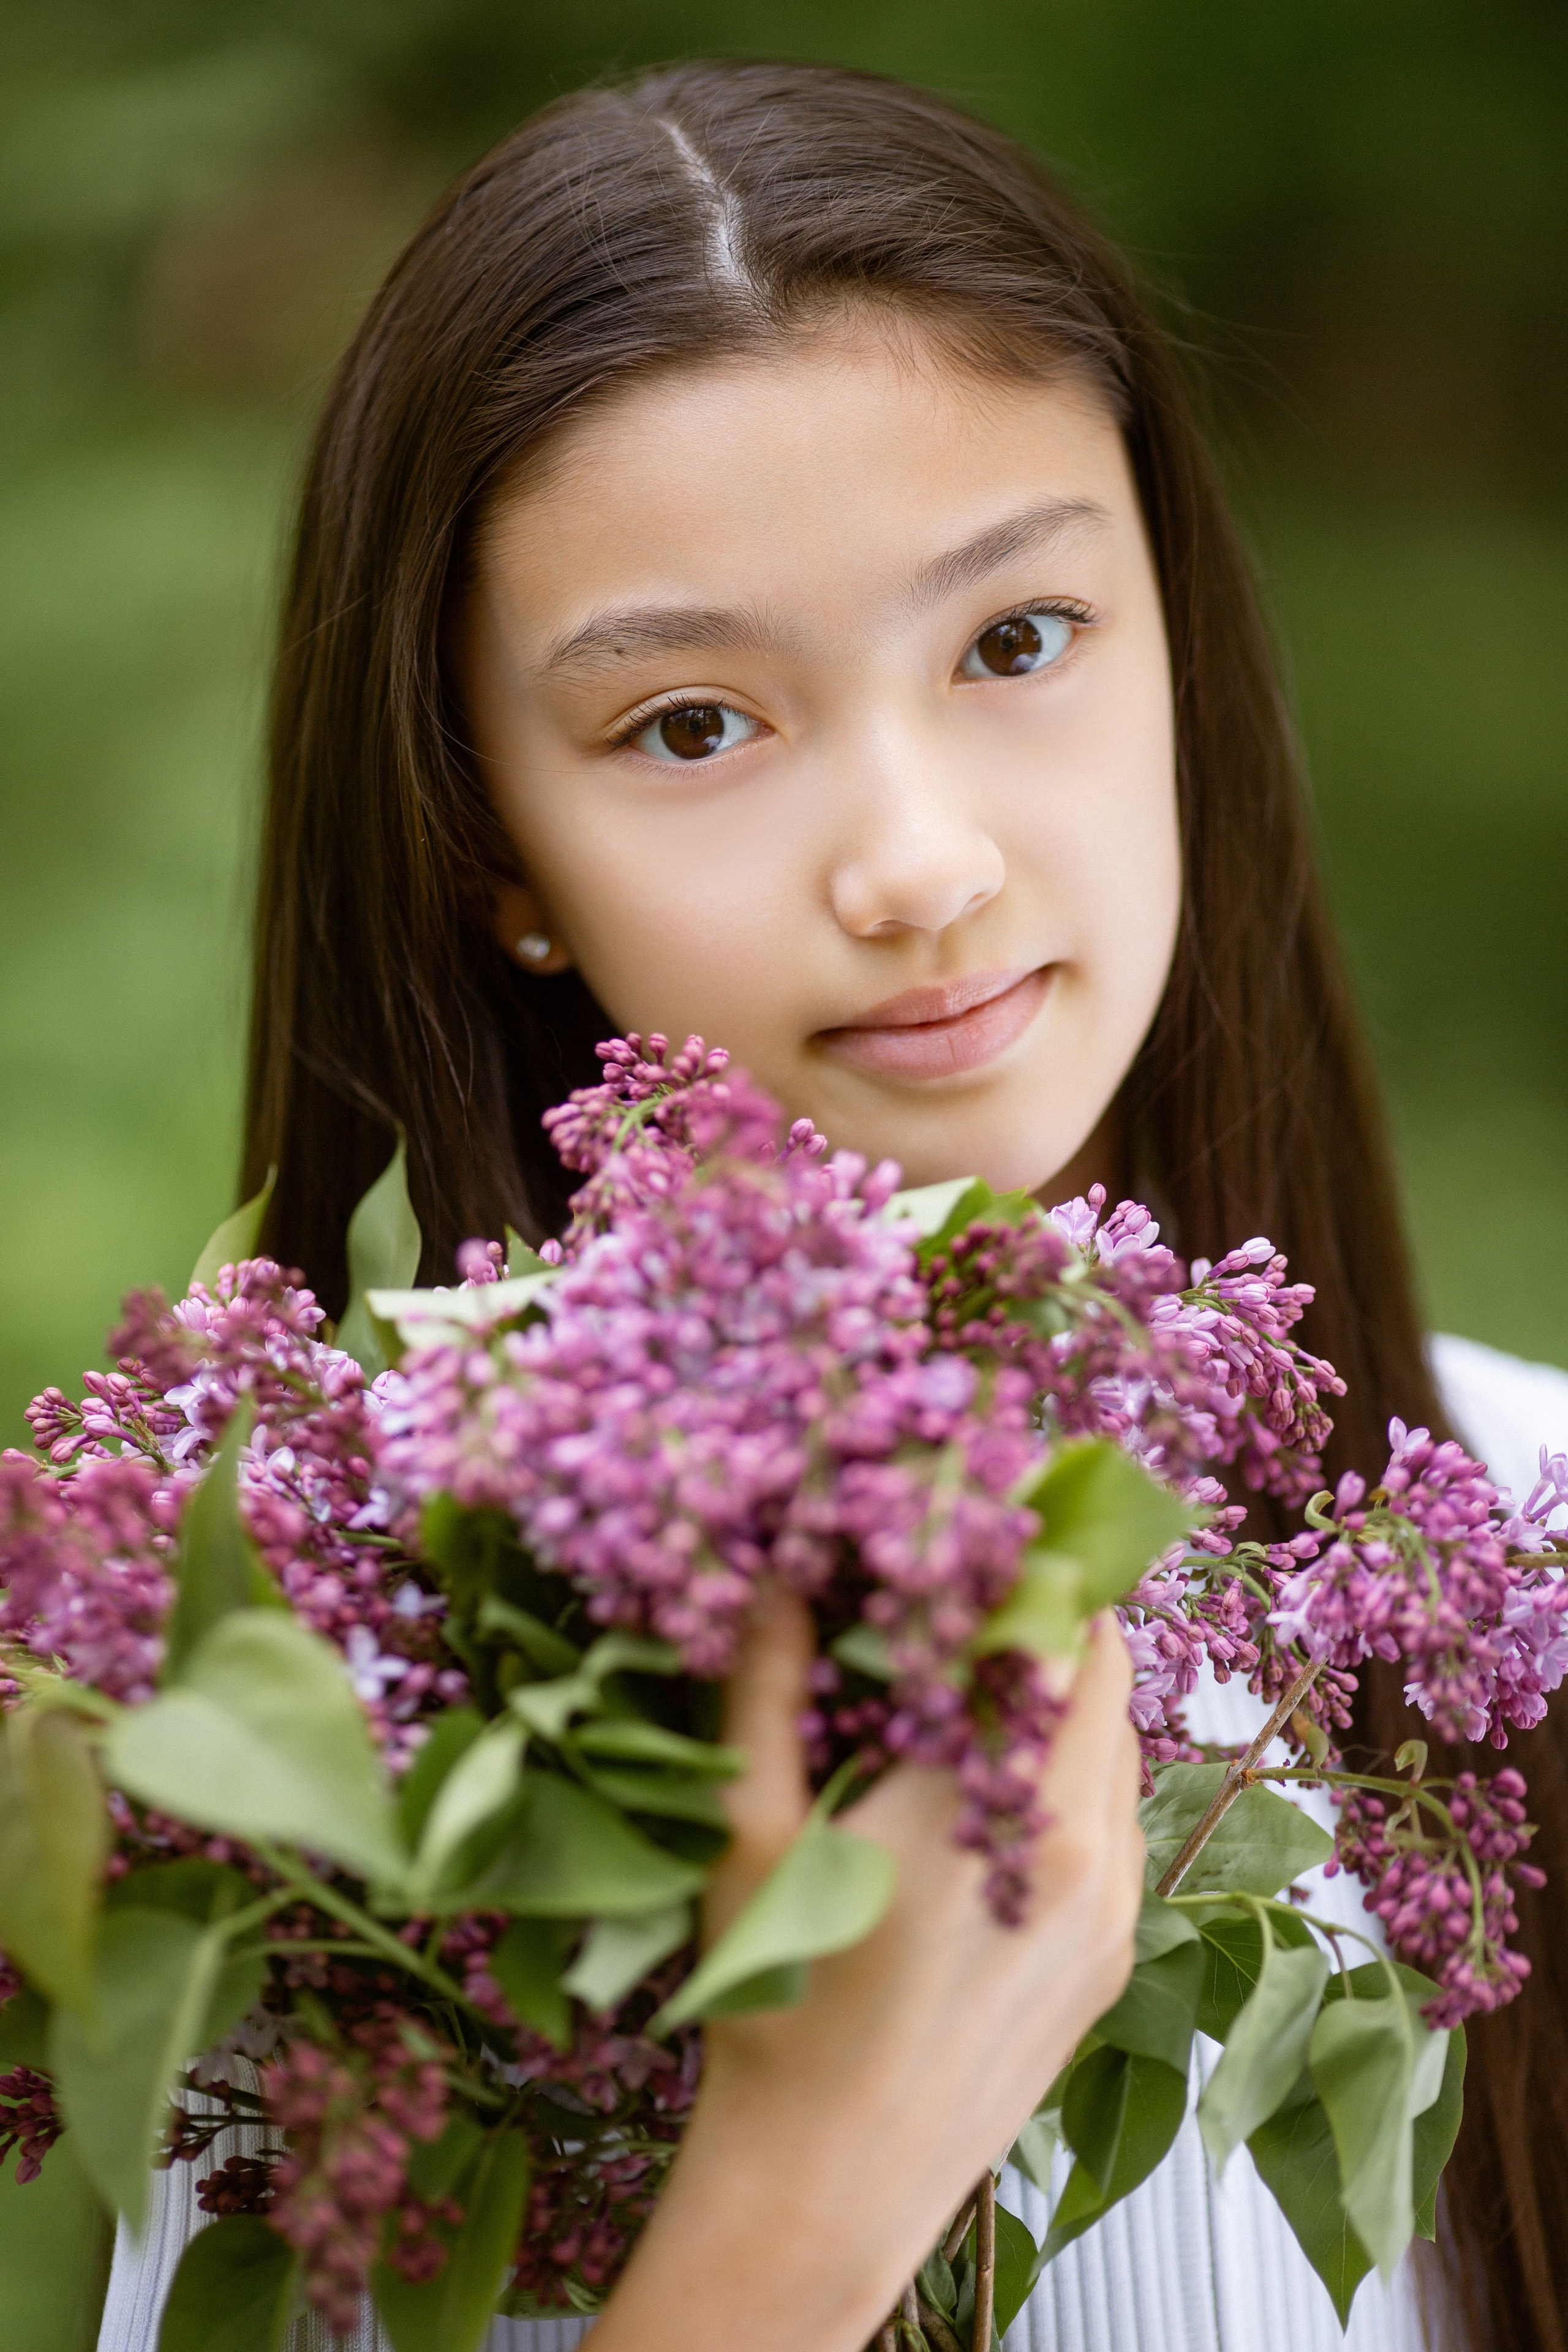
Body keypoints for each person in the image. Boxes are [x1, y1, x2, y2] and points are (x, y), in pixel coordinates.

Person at [97, 57, 1568, 2352]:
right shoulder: (322, 1725)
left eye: (1016, 643)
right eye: (692, 723)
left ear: (1177, 641)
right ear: (493, 850)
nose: (919, 864)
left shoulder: (1530, 1543)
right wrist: (808, 2185)